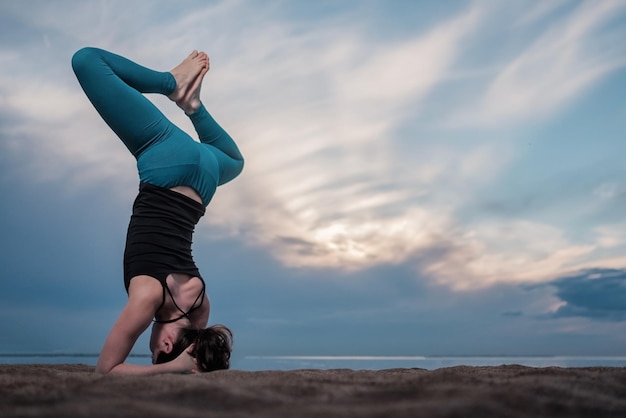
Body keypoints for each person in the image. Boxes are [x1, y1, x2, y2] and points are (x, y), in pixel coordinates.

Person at [71, 47, 244, 374]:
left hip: (204, 180)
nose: (149, 349)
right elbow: (106, 371)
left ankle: (193, 105)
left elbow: (200, 346)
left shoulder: (198, 304)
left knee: (234, 163)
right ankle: (171, 83)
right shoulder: (147, 298)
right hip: (166, 160)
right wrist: (170, 368)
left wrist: (193, 362)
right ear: (165, 346)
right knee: (86, 61)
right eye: (153, 354)